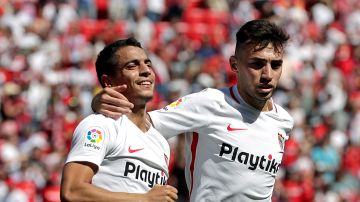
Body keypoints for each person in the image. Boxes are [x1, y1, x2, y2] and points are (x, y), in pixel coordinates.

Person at [92, 19, 294, 201]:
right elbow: (141, 126)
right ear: (235, 65)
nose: (267, 74)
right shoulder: (209, 103)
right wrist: (102, 105)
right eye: (257, 64)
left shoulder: (284, 121)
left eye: (275, 65)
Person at [60, 38, 178, 202]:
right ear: (108, 82)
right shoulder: (100, 125)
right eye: (132, 66)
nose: (146, 71)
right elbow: (72, 191)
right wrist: (144, 199)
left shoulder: (161, 142)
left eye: (148, 64)